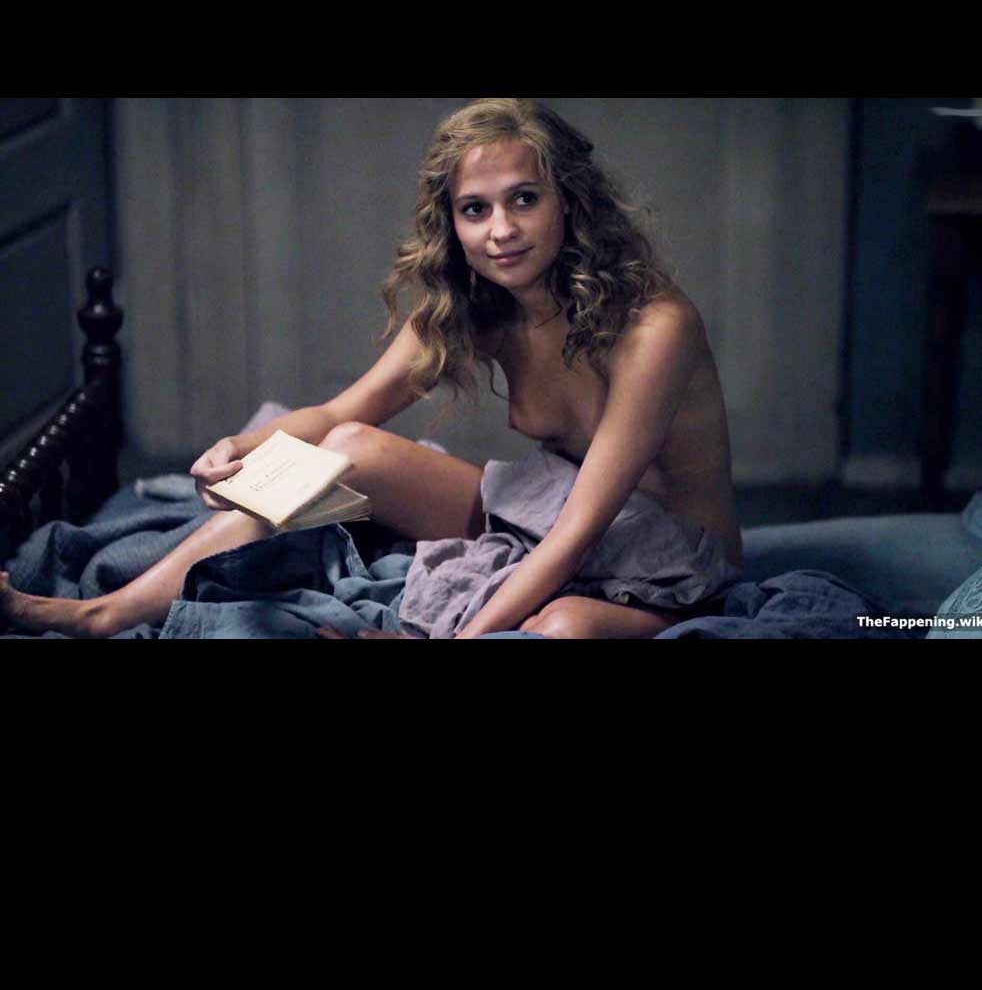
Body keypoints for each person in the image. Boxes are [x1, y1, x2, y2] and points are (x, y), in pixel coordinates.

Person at [0, 98, 742, 640]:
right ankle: (107, 613)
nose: (502, 231)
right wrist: (239, 451)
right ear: (452, 224)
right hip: (552, 516)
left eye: (524, 199)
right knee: (347, 447)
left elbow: (580, 532)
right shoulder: (480, 306)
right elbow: (335, 416)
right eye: (475, 209)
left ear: (568, 202)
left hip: (666, 556)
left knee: (561, 631)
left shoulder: (655, 326)